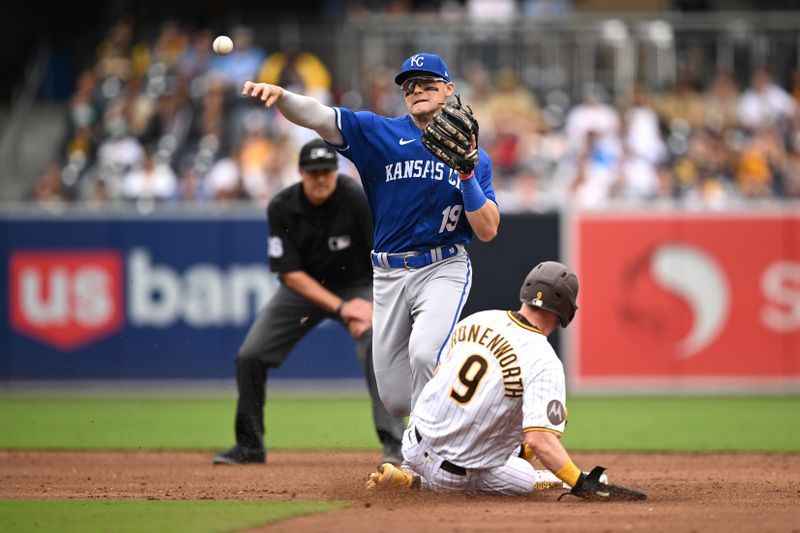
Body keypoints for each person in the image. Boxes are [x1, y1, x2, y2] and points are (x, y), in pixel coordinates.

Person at [241, 53, 500, 419]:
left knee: (425, 353)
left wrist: (468, 173)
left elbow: (487, 230)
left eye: (428, 83)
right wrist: (283, 97)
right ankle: (481, 410)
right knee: (395, 400)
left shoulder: (475, 157)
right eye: (410, 85)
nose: (417, 90)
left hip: (442, 267)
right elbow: (319, 115)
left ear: (448, 90)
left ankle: (426, 458)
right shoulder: (378, 133)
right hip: (389, 273)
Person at [213, 138, 406, 465]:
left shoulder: (356, 198)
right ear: (301, 173)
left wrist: (376, 304)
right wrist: (343, 309)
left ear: (335, 172)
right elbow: (289, 275)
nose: (320, 178)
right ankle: (249, 445)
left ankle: (395, 444)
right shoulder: (282, 206)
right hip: (304, 289)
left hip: (359, 284)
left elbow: (381, 254)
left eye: (326, 171)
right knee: (250, 355)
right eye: (313, 171)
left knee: (376, 342)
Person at [366, 261, 605, 495]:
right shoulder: (544, 360)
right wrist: (580, 483)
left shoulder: (478, 318)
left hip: (413, 445)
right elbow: (540, 440)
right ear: (566, 310)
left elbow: (438, 377)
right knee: (526, 475)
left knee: (505, 411)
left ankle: (412, 472)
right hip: (454, 474)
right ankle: (418, 484)